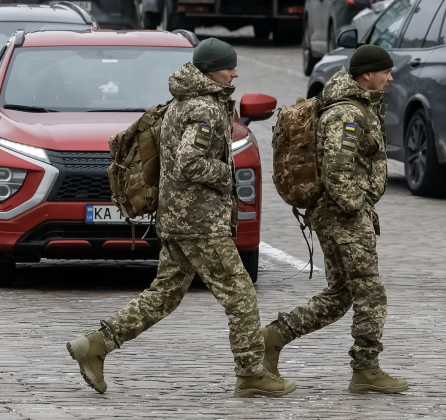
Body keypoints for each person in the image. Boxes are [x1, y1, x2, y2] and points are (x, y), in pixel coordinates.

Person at [66, 38, 296, 398]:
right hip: (199, 222)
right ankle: (251, 372)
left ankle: (95, 345)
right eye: (228, 66)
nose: (235, 72)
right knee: (241, 296)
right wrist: (226, 174)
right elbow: (189, 162)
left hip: (179, 218)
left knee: (164, 295)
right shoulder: (203, 108)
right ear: (209, 70)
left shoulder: (185, 100)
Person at [260, 45, 408, 394]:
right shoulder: (347, 114)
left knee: (340, 294)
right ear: (367, 74)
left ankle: (273, 337)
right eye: (386, 71)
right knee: (371, 292)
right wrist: (356, 208)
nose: (391, 77)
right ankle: (366, 369)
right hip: (342, 215)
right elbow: (336, 168)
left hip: (338, 213)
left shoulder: (355, 106)